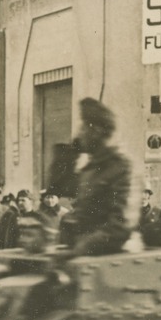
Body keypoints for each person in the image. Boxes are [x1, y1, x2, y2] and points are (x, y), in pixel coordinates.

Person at [58, 97, 132, 255]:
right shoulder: (89, 170)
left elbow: (121, 225)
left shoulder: (121, 168)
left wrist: (85, 245)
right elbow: (59, 188)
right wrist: (70, 152)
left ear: (96, 131)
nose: (79, 133)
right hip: (84, 255)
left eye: (83, 127)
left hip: (106, 259)